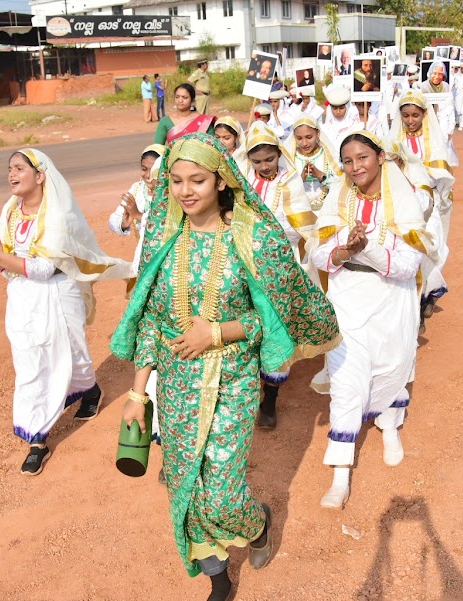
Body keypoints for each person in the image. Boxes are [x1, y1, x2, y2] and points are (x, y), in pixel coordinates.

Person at [111, 133, 339, 600]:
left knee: (221, 492)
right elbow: (153, 324)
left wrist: (215, 333)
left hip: (232, 381)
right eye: (175, 181)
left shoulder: (251, 236)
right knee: (186, 489)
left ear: (221, 179)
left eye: (197, 179)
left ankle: (257, 525)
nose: (185, 190)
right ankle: (217, 576)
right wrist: (137, 394)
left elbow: (271, 321)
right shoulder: (165, 237)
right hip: (174, 388)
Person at [0, 149, 133, 475]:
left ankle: (89, 390)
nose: (12, 174)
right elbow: (9, 264)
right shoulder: (10, 212)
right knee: (31, 365)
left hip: (58, 295)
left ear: (40, 175)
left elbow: (44, 269)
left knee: (71, 355)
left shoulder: (58, 216)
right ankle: (37, 440)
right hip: (21, 299)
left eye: (20, 168)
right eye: (10, 168)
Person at [309, 131, 437, 508]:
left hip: (391, 300)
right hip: (346, 297)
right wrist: (345, 251)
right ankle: (339, 474)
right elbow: (318, 255)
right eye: (347, 161)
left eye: (362, 158)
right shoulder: (338, 199)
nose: (355, 167)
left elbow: (409, 264)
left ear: (380, 157)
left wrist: (371, 250)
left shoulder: (404, 202)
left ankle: (390, 427)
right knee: (346, 379)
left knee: (391, 366)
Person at [245, 122, 317, 427]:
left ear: (279, 155)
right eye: (257, 161)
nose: (263, 167)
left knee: (277, 328)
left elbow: (298, 225)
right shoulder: (245, 179)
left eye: (269, 159)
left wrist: (263, 228)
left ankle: (270, 399)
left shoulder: (290, 181)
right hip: (246, 264)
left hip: (281, 265)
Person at [389, 90, 454, 327]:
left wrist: (417, 170)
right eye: (405, 116)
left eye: (415, 115)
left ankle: (426, 295)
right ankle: (414, 308)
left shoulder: (434, 142)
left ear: (424, 115)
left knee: (430, 250)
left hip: (428, 205)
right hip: (400, 206)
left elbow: (442, 176)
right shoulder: (393, 140)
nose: (410, 120)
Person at [108, 144, 165, 272]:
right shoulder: (137, 189)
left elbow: (165, 222)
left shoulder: (169, 192)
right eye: (144, 169)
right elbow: (114, 219)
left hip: (166, 258)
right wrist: (123, 223)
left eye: (154, 170)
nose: (148, 175)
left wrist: (138, 215)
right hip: (142, 257)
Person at [285, 115, 341, 211]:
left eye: (309, 137)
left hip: (327, 208)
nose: (304, 143)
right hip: (299, 210)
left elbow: (341, 183)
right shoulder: (290, 158)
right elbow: (283, 189)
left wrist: (322, 177)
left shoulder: (328, 155)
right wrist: (299, 180)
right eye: (299, 138)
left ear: (318, 134)